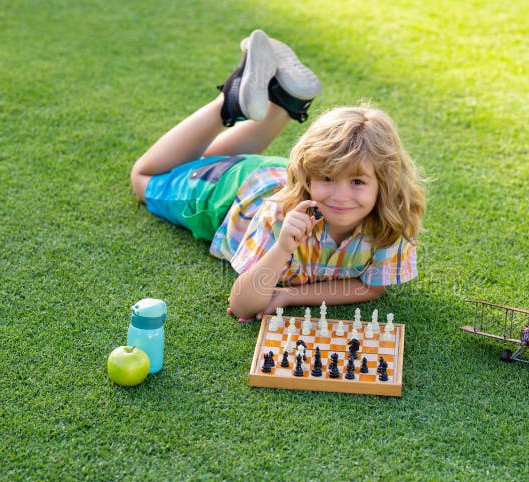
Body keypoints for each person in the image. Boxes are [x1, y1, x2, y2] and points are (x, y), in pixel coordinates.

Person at [131, 30, 426, 321]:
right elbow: (243, 306)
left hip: (267, 173)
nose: (340, 196)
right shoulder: (280, 216)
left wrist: (289, 295)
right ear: (308, 175)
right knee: (143, 178)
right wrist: (283, 246)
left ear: (384, 185)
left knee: (209, 158)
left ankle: (286, 104)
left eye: (358, 182)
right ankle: (230, 101)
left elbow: (371, 287)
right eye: (327, 178)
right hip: (224, 194)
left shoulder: (390, 219)